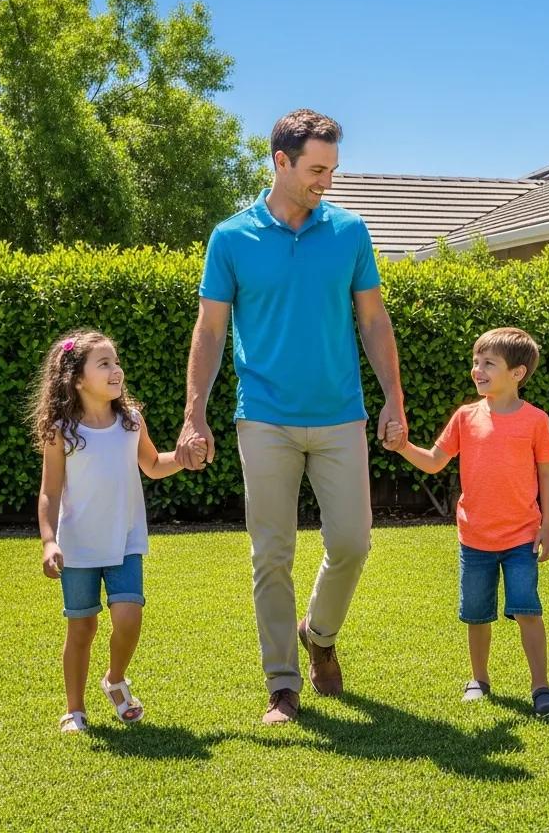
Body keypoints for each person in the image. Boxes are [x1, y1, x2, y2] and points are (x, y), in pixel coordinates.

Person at [175, 107, 407, 725]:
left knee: (353, 543)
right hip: (266, 417)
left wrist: (393, 397)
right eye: (314, 169)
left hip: (339, 417)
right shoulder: (231, 238)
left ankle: (320, 636)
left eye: (331, 169)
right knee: (271, 553)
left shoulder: (350, 233)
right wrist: (194, 414)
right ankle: (282, 684)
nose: (324, 181)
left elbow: (373, 320)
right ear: (280, 162)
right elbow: (211, 330)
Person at [383, 326, 549, 717]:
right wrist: (402, 447)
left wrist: (547, 526)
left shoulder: (535, 420)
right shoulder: (465, 417)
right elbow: (434, 462)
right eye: (475, 362)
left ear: (517, 373)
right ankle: (478, 680)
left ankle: (541, 687)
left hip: (521, 537)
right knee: (477, 614)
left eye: (488, 363)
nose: (477, 370)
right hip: (475, 537)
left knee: (528, 611)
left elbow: (547, 473)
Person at [32, 329, 205, 734]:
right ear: (77, 379)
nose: (116, 370)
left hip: (126, 539)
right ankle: (74, 710)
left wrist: (183, 458)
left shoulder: (131, 422)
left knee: (128, 618)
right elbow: (49, 492)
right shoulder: (61, 431)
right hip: (78, 547)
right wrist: (48, 541)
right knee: (83, 627)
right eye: (104, 363)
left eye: (116, 362)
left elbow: (154, 465)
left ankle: (114, 679)